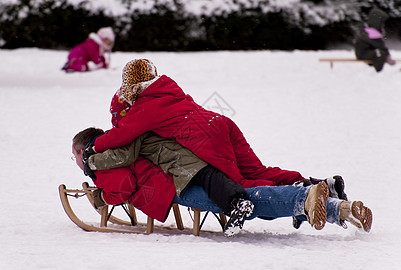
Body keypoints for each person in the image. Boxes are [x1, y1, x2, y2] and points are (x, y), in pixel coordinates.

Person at [96, 58, 349, 228]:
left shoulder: (145, 105)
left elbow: (121, 137)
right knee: (257, 170)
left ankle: (300, 194)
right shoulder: (169, 89)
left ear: (134, 86)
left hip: (205, 138)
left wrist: (94, 147)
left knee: (238, 183)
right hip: (220, 123)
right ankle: (319, 184)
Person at [72, 128, 373, 235]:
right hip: (181, 175)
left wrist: (104, 196)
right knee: (248, 187)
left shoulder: (104, 159)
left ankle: (304, 198)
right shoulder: (116, 149)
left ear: (81, 151)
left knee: (247, 200)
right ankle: (339, 209)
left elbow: (123, 185)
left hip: (176, 188)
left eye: (73, 155)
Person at [354, 7, 396, 72]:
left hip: (370, 53)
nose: (383, 25)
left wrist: (387, 56)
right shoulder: (369, 33)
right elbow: (379, 46)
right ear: (377, 22)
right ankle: (378, 72)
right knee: (379, 53)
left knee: (381, 53)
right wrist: (387, 56)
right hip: (363, 54)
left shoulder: (373, 32)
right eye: (382, 23)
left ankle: (378, 69)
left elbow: (381, 46)